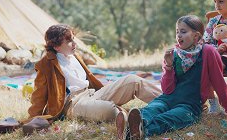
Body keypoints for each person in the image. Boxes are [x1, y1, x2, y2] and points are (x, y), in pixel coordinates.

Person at [115, 15, 227, 140]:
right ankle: (133, 126)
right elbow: (167, 90)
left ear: (196, 36)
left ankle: (134, 131)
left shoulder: (208, 52)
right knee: (152, 109)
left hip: (189, 105)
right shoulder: (174, 54)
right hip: (167, 99)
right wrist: (168, 66)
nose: (179, 35)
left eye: (183, 32)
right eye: (177, 32)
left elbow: (219, 82)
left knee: (168, 118)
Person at [24, 24, 162, 131]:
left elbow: (89, 79)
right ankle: (137, 119)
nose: (74, 43)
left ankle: (169, 102)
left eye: (73, 38)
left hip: (91, 93)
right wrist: (32, 119)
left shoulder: (74, 55)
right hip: (73, 104)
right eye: (69, 41)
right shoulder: (46, 64)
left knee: (133, 80)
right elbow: (39, 95)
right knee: (109, 110)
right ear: (56, 46)